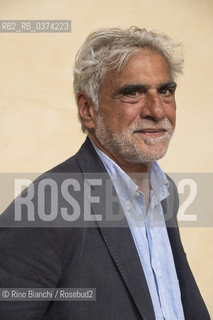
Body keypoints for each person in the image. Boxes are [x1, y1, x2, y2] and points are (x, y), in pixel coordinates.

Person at [0, 27, 210, 320]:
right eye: (133, 93)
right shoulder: (44, 207)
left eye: (165, 91)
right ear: (88, 109)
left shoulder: (164, 190)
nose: (158, 111)